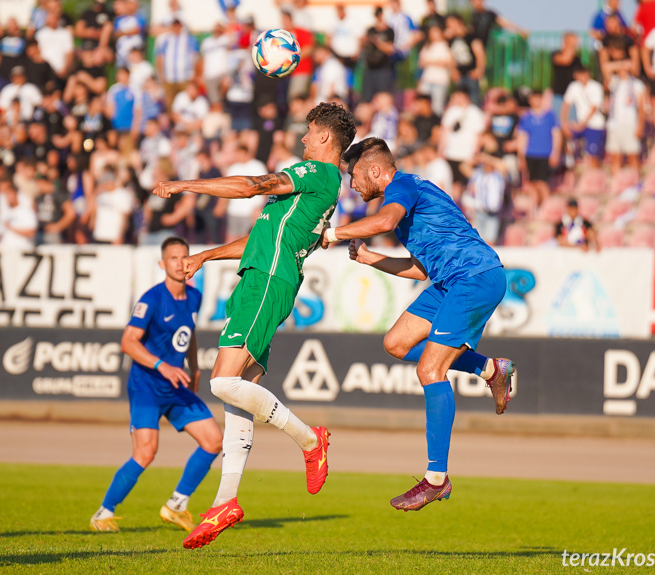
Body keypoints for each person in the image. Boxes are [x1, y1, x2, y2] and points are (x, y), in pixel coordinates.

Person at [151, 102, 356, 549]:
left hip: (269, 281)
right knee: (237, 397)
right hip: (259, 277)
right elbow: (259, 235)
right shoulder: (306, 190)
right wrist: (205, 255)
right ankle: (225, 500)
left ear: (325, 139)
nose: (303, 138)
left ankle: (309, 439)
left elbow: (249, 186)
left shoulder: (318, 174)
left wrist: (187, 184)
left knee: (222, 382)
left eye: (309, 131)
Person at [320, 137, 514, 511]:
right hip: (448, 280)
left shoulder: (403, 187)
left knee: (429, 369)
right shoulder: (410, 200)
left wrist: (334, 232)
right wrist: (371, 258)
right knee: (397, 343)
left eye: (355, 176)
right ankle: (491, 368)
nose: (353, 185)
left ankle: (436, 479)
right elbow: (419, 269)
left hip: (473, 277)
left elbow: (385, 220)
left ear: (376, 170)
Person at [90, 236, 222, 533]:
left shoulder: (194, 297)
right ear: (162, 264)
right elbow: (128, 342)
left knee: (213, 440)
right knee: (145, 453)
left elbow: (189, 333)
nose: (180, 263)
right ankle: (103, 513)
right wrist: (163, 365)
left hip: (176, 385)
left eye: (184, 257)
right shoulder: (150, 300)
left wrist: (194, 366)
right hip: (147, 386)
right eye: (173, 258)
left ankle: (176, 505)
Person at [518, 90, 561, 207]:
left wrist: (555, 152)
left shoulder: (550, 116)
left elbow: (556, 134)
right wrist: (521, 156)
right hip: (530, 154)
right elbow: (522, 137)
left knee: (542, 183)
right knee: (531, 183)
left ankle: (547, 208)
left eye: (538, 98)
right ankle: (535, 209)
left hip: (545, 154)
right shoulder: (526, 117)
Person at [561, 66, 606, 167]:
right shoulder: (573, 86)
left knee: (592, 156)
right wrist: (564, 123)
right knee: (561, 133)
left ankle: (592, 175)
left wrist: (582, 124)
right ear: (575, 76)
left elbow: (593, 109)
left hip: (594, 124)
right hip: (580, 124)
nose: (583, 77)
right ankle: (568, 159)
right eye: (580, 74)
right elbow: (566, 105)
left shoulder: (596, 87)